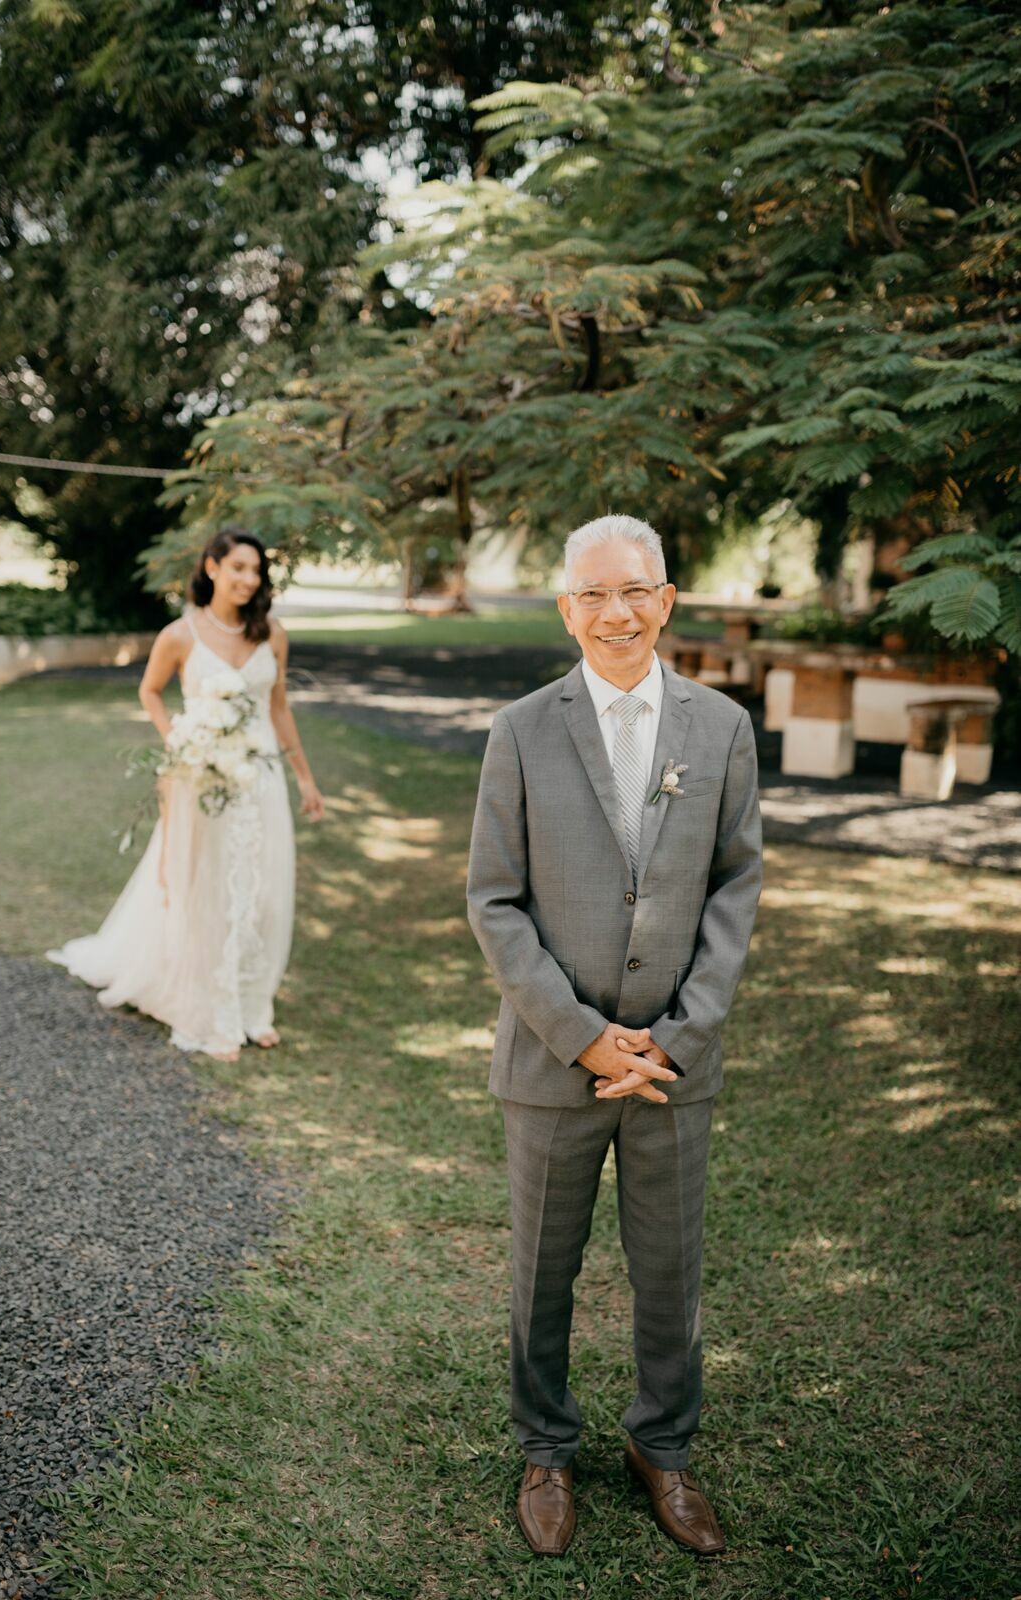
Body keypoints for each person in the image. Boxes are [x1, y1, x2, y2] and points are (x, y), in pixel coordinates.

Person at [466, 514, 762, 1557]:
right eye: (591, 594)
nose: (614, 612)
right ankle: (546, 1448)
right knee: (542, 1268)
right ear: (565, 608)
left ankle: (663, 1447)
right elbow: (494, 901)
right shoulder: (520, 731)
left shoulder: (722, 728)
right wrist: (587, 1036)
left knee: (669, 1269)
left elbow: (735, 887)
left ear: (667, 600)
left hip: (675, 1064)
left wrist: (677, 1035)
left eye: (634, 590)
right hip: (556, 1062)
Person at [48, 526, 325, 1061]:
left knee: (263, 891)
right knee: (209, 888)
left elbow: (279, 708)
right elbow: (149, 691)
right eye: (239, 567)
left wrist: (305, 778)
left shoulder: (272, 634)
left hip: (261, 780)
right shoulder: (180, 635)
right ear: (212, 567)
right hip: (205, 781)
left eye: (257, 571)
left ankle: (252, 1006)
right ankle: (209, 1007)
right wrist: (179, 740)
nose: (249, 579)